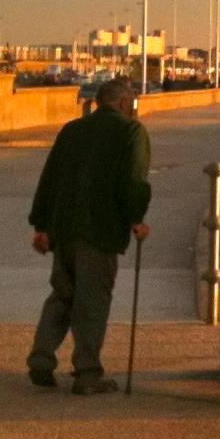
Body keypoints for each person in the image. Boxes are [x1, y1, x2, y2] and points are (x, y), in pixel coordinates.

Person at [25, 77, 151, 395]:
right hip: (100, 231)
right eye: (132, 101)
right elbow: (132, 180)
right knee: (92, 301)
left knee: (62, 294)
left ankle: (41, 358)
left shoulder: (72, 130)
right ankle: (87, 371)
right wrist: (136, 218)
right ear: (123, 102)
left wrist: (41, 225)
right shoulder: (130, 132)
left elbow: (49, 176)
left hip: (63, 230)